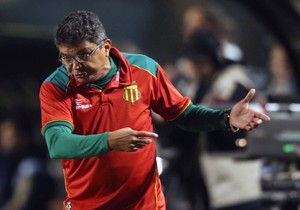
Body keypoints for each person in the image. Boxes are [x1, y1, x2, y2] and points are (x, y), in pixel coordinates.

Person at [39, 10, 270, 210]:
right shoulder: (56, 86)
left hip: (146, 204)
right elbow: (58, 144)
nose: (74, 66)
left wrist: (226, 117)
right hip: (87, 204)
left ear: (106, 47)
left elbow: (184, 114)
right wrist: (110, 140)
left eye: (83, 54)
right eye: (66, 57)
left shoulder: (144, 70)